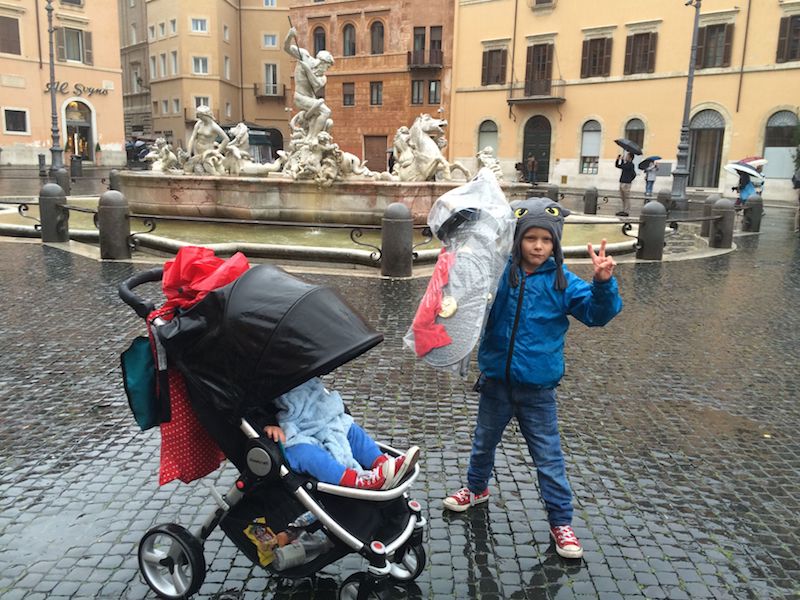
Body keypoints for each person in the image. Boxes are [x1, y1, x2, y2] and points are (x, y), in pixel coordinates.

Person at [442, 197, 623, 560]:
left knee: (549, 459)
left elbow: (596, 314)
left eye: (546, 240)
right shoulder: (499, 272)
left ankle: (561, 522)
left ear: (555, 243)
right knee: (483, 444)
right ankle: (476, 489)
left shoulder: (563, 282)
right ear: (518, 239)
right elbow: (467, 303)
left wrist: (603, 284)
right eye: (530, 238)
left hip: (538, 389)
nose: (538, 246)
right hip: (496, 382)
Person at [262, 377, 420, 490]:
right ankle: (358, 480)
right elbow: (257, 410)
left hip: (318, 416)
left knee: (350, 429)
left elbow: (317, 392)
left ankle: (381, 462)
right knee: (307, 455)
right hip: (292, 432)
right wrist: (271, 427)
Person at [284, 26, 334, 140]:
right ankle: (312, 139)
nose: (326, 69)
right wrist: (290, 35)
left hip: (311, 100)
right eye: (327, 66)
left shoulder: (322, 78)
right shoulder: (304, 56)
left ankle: (312, 136)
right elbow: (286, 48)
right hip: (300, 97)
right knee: (326, 111)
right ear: (322, 62)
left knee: (325, 120)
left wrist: (307, 69)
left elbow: (315, 84)